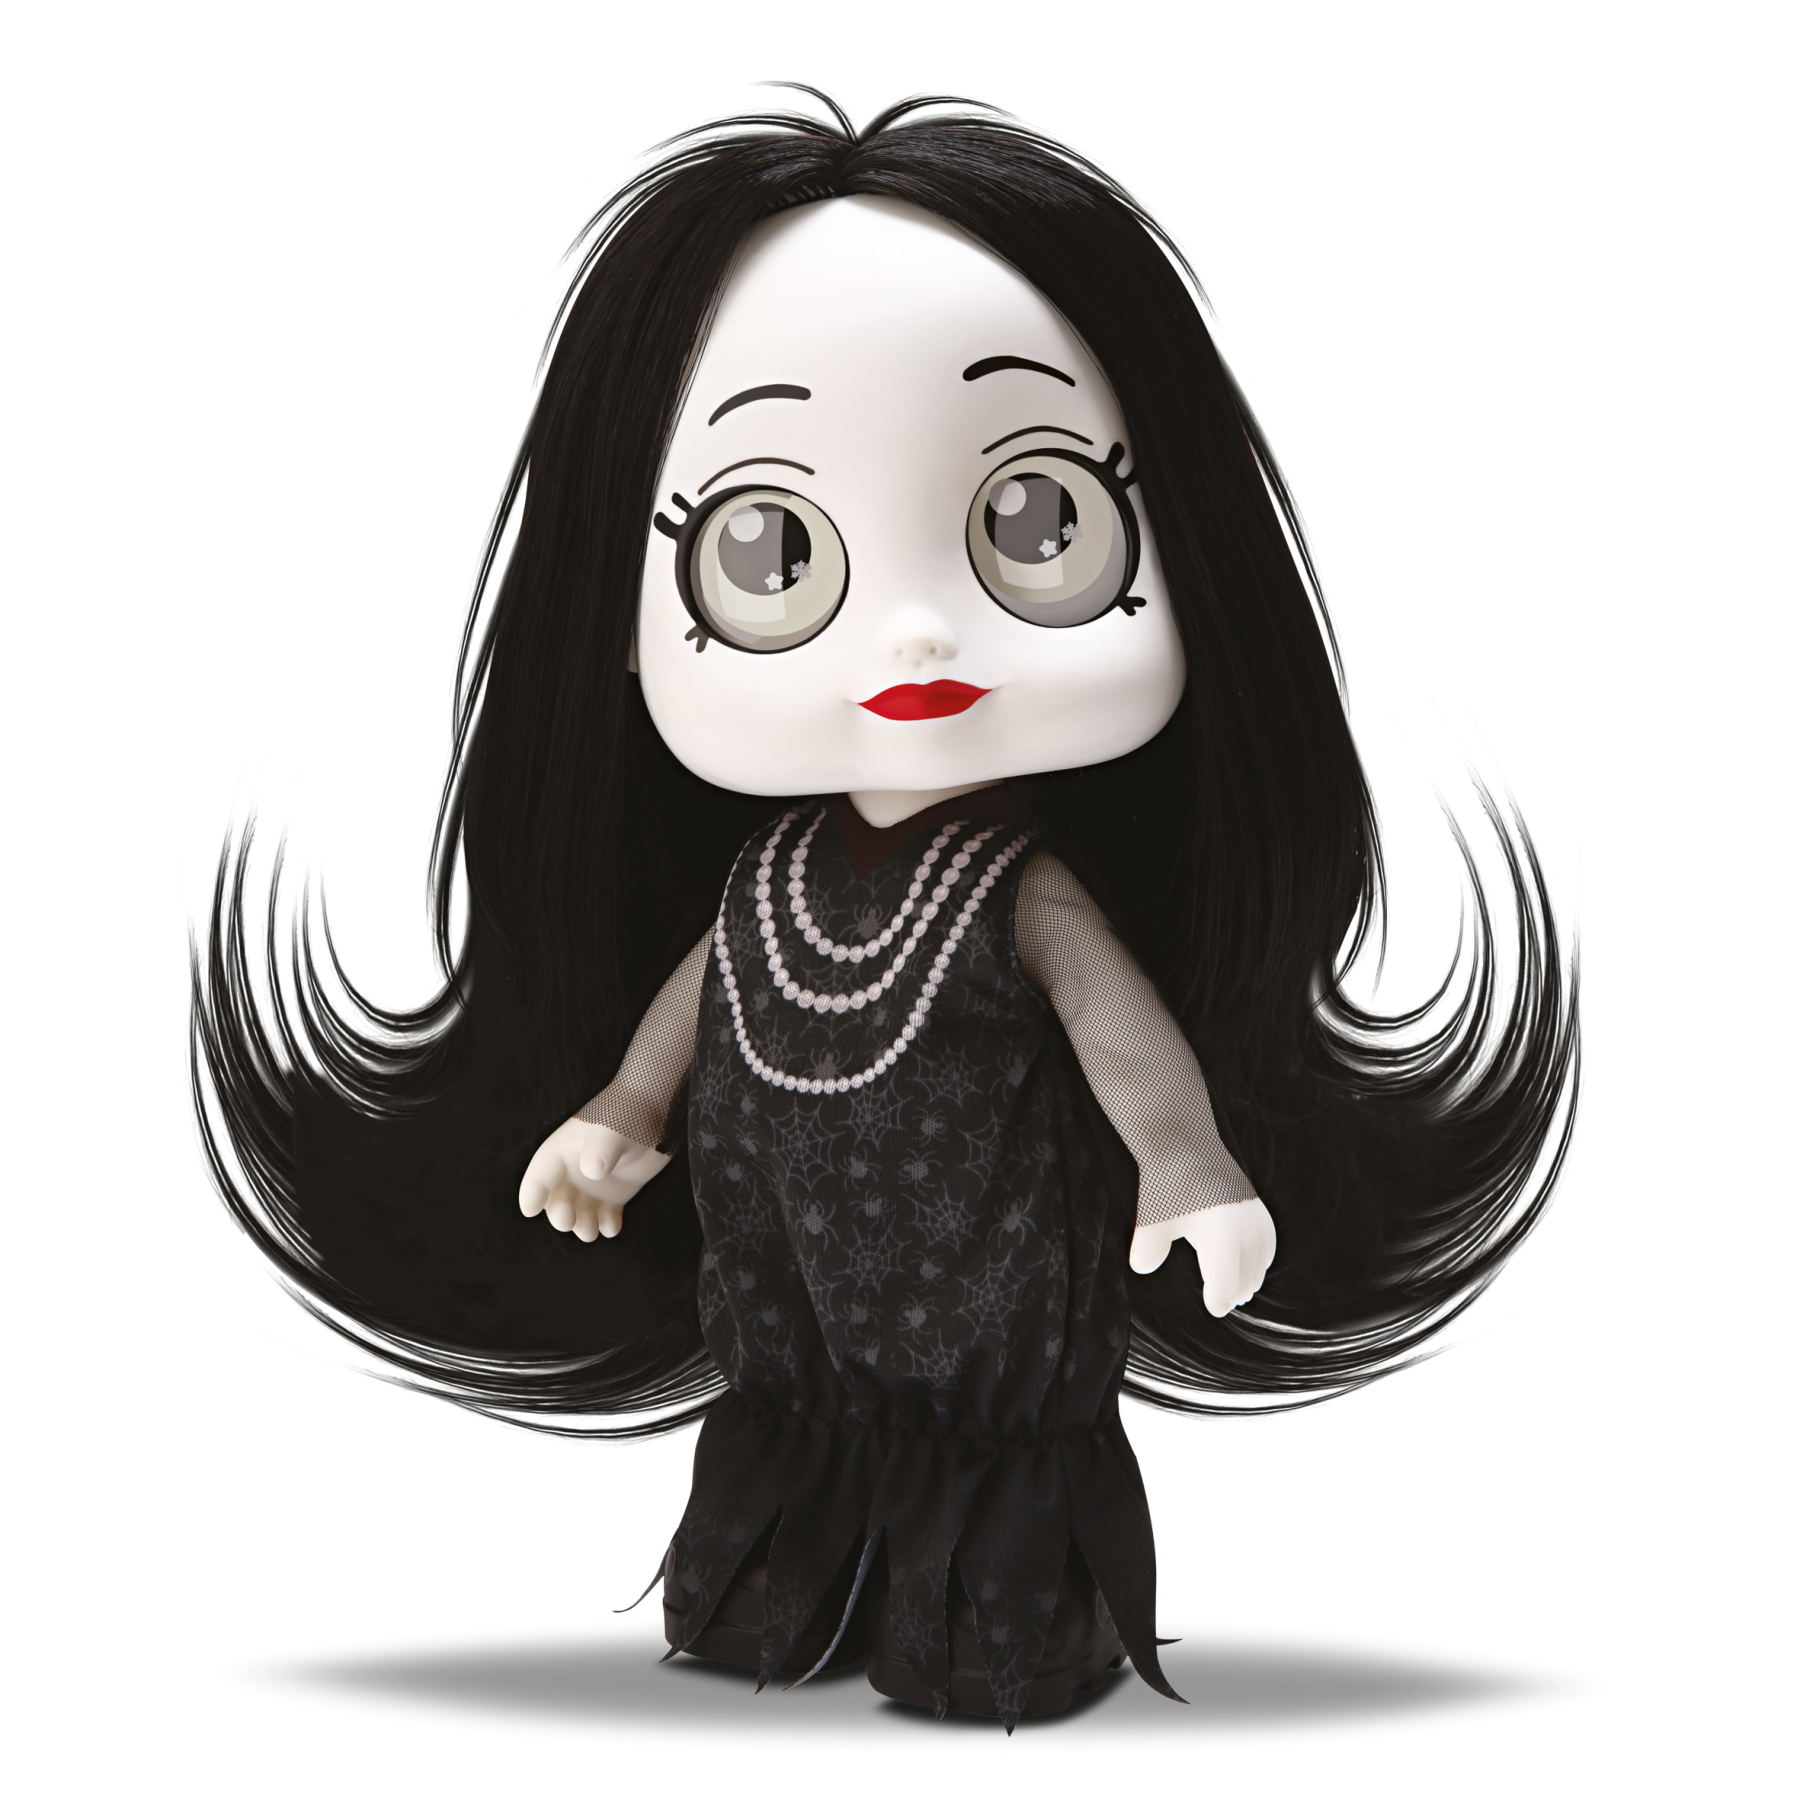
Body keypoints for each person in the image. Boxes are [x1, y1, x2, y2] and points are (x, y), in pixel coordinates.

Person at [186, 94, 1582, 1736]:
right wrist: (619, 1111)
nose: (916, 634)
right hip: (789, 1292)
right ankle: (780, 1621)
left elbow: (1117, 1028)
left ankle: (992, 1644)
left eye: (1039, 522)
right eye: (767, 548)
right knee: (789, 1468)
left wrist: (1190, 1167)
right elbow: (707, 994)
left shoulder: (1020, 888)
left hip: (982, 1282)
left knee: (981, 1511)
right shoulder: (767, 878)